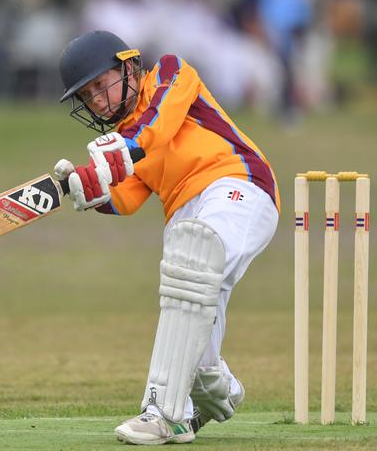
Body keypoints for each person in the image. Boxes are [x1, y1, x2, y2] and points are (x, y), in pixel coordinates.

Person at [54, 30, 280, 445]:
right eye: (88, 96)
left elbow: (155, 123)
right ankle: (216, 391)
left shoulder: (171, 74)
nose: (98, 101)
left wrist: (123, 147)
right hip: (184, 216)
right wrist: (91, 189)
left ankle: (161, 412)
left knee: (192, 264)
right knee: (192, 302)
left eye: (101, 85)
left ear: (128, 66)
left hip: (237, 183)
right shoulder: (125, 137)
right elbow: (125, 197)